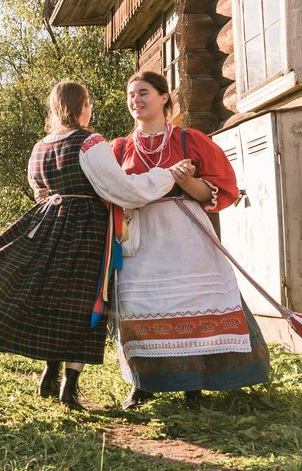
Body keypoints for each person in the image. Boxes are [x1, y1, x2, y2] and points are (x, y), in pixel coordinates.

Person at [0, 81, 184, 409]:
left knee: (52, 298)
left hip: (47, 224)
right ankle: (69, 387)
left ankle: (48, 373)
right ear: (79, 106)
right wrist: (167, 175)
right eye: (88, 103)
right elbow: (122, 189)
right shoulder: (90, 142)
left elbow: (38, 190)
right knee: (86, 304)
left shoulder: (40, 146)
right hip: (85, 228)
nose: (91, 110)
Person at [114, 71, 270, 409]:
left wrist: (186, 181)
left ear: (164, 97)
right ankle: (144, 384)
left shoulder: (189, 140)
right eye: (131, 95)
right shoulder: (121, 148)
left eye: (143, 93)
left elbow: (215, 191)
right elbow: (111, 193)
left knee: (190, 301)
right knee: (141, 304)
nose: (135, 100)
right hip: (142, 235)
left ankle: (193, 387)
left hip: (185, 232)